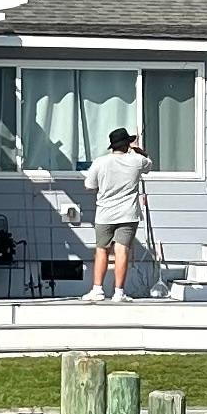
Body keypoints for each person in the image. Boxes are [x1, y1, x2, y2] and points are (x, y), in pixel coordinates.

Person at [88, 124, 152, 299]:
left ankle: (97, 289)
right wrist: (138, 150)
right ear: (127, 144)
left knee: (102, 249)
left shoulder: (100, 162)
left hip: (104, 213)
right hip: (127, 213)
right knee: (122, 251)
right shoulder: (137, 161)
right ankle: (119, 292)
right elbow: (148, 164)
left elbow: (89, 185)